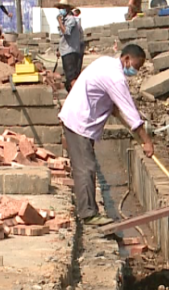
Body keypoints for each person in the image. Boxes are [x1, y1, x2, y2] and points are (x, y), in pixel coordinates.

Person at [58, 44, 154, 226]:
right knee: (85, 167)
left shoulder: (106, 62)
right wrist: (147, 141)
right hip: (79, 122)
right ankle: (88, 214)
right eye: (136, 66)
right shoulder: (116, 78)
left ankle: (89, 209)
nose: (136, 71)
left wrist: (120, 116)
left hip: (79, 118)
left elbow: (115, 107)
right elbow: (131, 113)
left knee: (86, 166)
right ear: (126, 59)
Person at [56, 0, 83, 92]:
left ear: (67, 8)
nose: (60, 10)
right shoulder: (64, 20)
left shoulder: (71, 19)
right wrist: (58, 49)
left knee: (71, 78)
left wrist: (59, 21)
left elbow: (66, 32)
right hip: (65, 51)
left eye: (62, 8)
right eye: (59, 8)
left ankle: (76, 95)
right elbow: (63, 37)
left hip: (70, 52)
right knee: (69, 77)